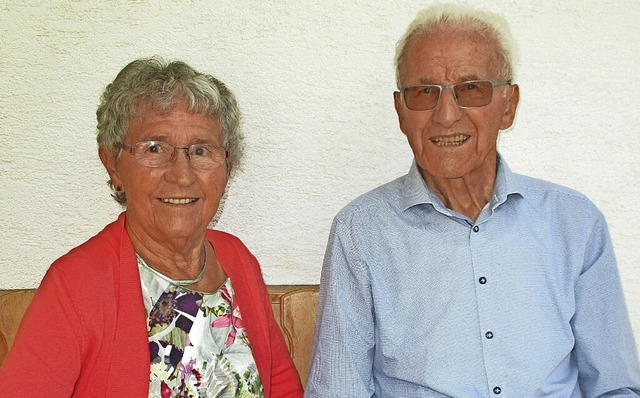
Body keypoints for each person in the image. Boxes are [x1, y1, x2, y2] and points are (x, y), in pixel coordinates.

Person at [306, 4, 640, 397]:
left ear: (508, 105)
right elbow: (338, 391)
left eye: (471, 89)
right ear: (401, 112)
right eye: (425, 92)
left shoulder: (574, 222)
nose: (446, 115)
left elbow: (615, 387)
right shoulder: (361, 231)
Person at [0, 57, 303, 397]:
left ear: (227, 166)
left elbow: (281, 386)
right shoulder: (75, 286)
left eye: (201, 150)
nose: (182, 175)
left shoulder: (237, 260)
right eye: (155, 148)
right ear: (114, 165)